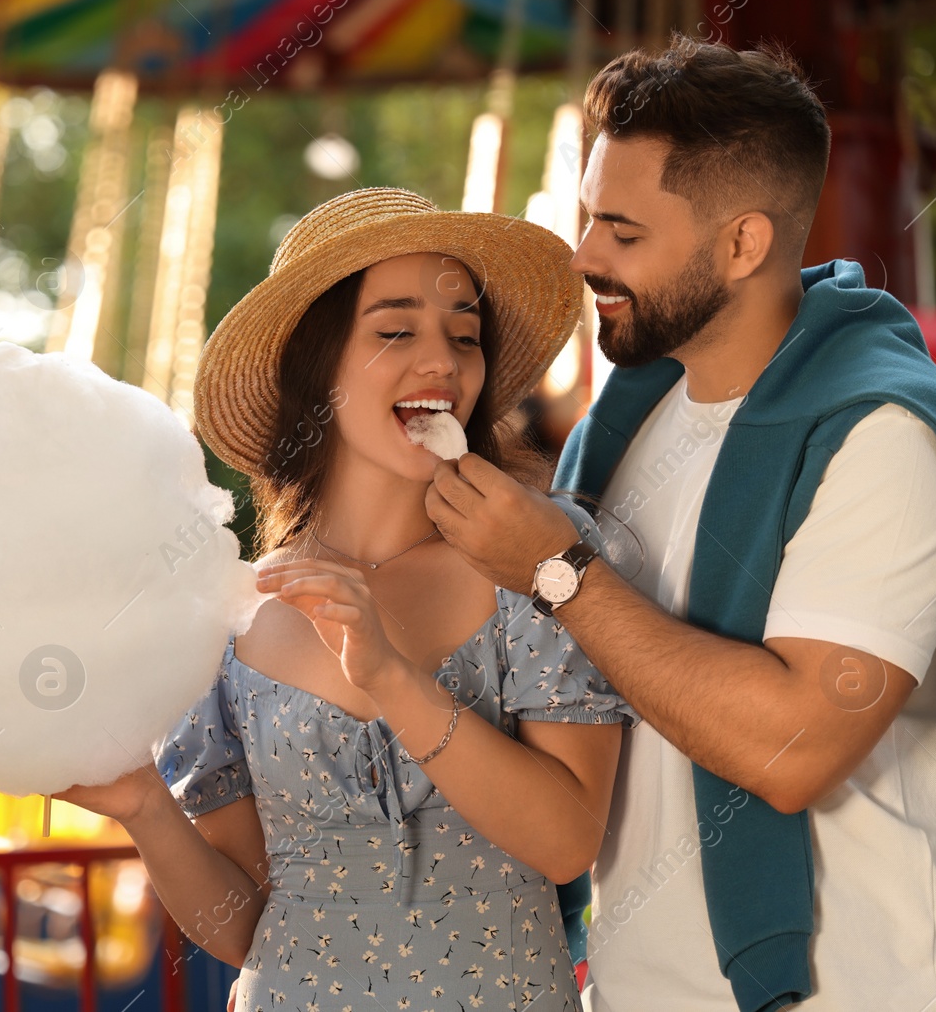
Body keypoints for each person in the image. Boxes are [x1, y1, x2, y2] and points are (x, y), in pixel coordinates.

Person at [423, 34, 936, 1011]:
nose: (583, 256)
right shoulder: (622, 429)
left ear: (742, 243)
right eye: (588, 218)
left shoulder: (881, 437)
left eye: (621, 231)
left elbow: (790, 748)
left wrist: (557, 569)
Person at [54, 187, 638, 1012]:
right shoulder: (227, 610)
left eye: (464, 335)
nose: (442, 360)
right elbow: (242, 924)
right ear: (317, 368)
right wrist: (145, 808)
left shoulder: (534, 554)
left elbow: (565, 840)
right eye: (395, 330)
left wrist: (392, 677)